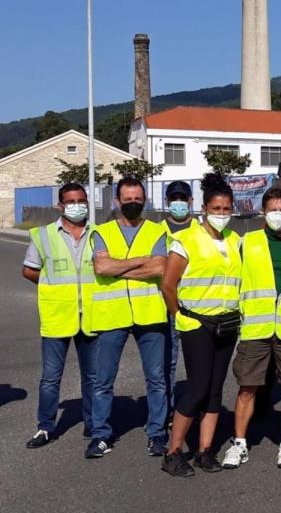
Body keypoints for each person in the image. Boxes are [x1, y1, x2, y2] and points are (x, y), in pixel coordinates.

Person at [223, 187, 281, 470]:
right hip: (255, 328)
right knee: (247, 387)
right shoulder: (246, 242)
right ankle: (239, 443)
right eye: (273, 209)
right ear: (263, 212)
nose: (278, 214)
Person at [159, 174, 242, 477]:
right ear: (204, 208)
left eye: (226, 209)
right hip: (197, 322)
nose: (221, 214)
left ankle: (205, 451)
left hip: (227, 322)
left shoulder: (235, 241)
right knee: (197, 387)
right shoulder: (186, 240)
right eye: (216, 208)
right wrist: (179, 316)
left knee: (216, 389)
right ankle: (173, 452)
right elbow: (168, 284)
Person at [88, 176, 168, 459]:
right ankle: (100, 435)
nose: (133, 203)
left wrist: (117, 267)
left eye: (138, 199)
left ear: (144, 200)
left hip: (150, 314)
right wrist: (140, 262)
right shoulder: (102, 231)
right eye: (128, 199)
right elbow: (101, 266)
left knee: (156, 379)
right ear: (117, 201)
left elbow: (160, 267)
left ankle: (157, 433)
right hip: (113, 315)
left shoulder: (158, 231)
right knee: (103, 380)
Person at [23, 183, 97, 449]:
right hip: (57, 316)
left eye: (81, 200)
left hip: (90, 317)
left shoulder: (99, 234)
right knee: (51, 377)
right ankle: (45, 426)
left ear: (87, 201)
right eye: (70, 201)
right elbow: (30, 270)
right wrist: (53, 289)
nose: (77, 205)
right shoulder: (43, 235)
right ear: (60, 205)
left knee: (92, 376)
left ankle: (92, 422)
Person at [161, 180, 200, 418]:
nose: (179, 203)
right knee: (166, 363)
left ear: (191, 201)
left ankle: (192, 410)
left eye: (182, 199)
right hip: (165, 305)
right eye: (174, 199)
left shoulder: (202, 230)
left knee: (197, 365)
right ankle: (166, 413)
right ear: (167, 202)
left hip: (195, 308)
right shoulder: (156, 232)